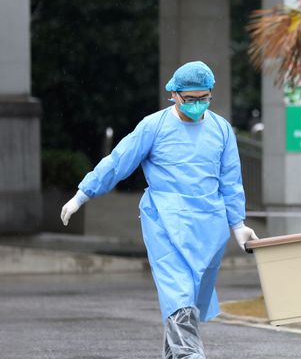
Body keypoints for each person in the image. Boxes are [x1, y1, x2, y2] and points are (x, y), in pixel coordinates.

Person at [59, 61, 258, 358]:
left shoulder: (221, 129)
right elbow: (119, 161)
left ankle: (174, 354)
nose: (197, 105)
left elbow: (231, 181)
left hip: (208, 225)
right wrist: (83, 194)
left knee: (189, 294)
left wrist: (238, 224)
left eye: (203, 98)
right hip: (165, 220)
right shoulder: (154, 126)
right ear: (174, 94)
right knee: (178, 292)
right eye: (190, 99)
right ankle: (190, 354)